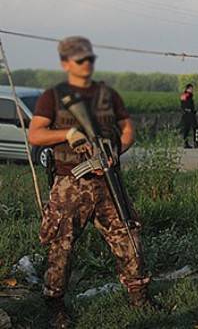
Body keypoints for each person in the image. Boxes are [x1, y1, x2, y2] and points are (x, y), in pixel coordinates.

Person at [28, 36, 153, 328]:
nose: (86, 64)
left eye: (89, 59)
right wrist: (67, 134)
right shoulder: (54, 96)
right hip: (71, 182)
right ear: (65, 63)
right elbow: (35, 135)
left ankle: (139, 297)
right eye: (79, 59)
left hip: (108, 179)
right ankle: (54, 303)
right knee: (62, 244)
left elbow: (128, 131)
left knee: (128, 234)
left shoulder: (108, 95)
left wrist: (113, 153)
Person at [180, 83, 198, 148]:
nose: (192, 90)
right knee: (195, 128)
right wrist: (191, 111)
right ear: (188, 89)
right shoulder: (187, 95)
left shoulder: (186, 95)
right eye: (191, 89)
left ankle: (186, 143)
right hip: (189, 114)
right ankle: (195, 142)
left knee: (186, 129)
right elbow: (186, 105)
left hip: (187, 114)